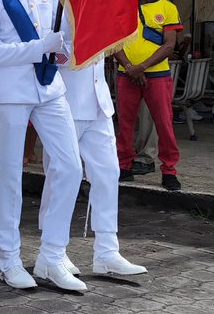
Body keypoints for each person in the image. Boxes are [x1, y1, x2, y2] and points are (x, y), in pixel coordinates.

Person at [0, 0, 85, 293]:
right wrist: (42, 47)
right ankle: (7, 257)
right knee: (8, 176)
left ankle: (52, 254)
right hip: (11, 91)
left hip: (48, 87)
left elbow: (61, 40)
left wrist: (60, 50)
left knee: (70, 166)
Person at [56, 49, 148, 278]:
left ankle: (107, 252)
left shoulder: (101, 13)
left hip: (98, 101)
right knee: (61, 177)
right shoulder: (57, 11)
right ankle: (54, 249)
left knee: (108, 174)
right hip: (67, 101)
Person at [116, 0, 182, 191]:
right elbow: (114, 41)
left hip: (156, 74)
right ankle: (124, 165)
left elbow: (169, 46)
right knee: (125, 122)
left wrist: (141, 67)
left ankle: (169, 170)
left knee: (163, 123)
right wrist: (129, 66)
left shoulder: (168, 8)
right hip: (127, 73)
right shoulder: (123, 6)